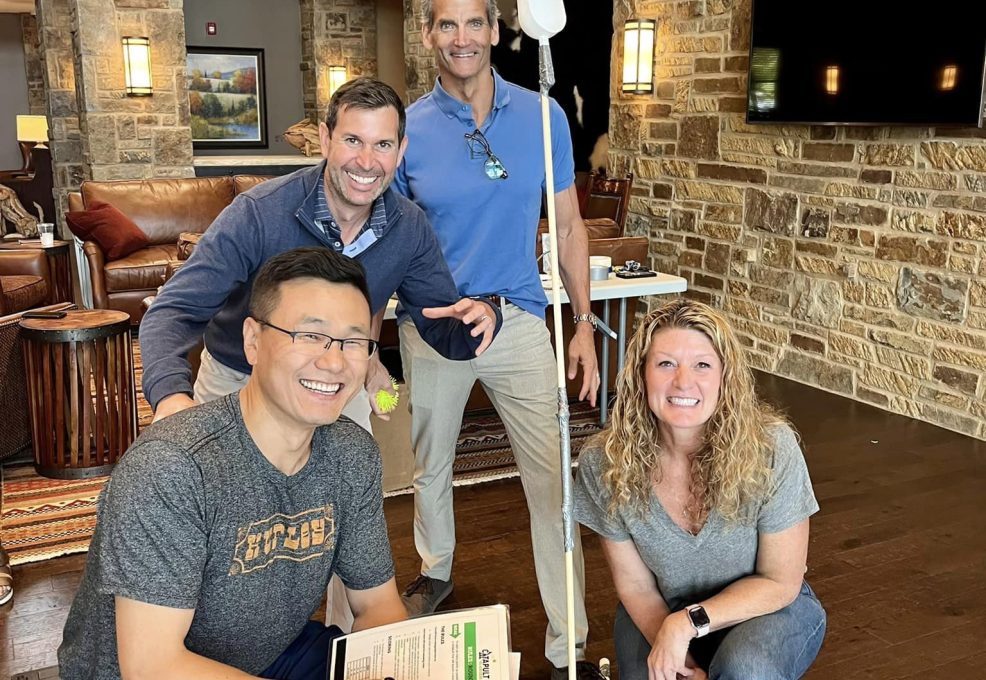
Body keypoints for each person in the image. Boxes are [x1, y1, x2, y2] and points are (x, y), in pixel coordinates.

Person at [58, 247, 407, 680]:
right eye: (309, 335)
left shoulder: (352, 454)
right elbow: (153, 666)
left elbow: (378, 605)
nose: (334, 362)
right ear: (252, 341)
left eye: (352, 342)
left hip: (269, 654)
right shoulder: (172, 467)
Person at [393, 1, 601, 677]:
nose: (462, 38)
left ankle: (569, 645)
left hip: (518, 321)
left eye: (474, 23)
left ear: (495, 29)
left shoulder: (543, 116)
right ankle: (435, 572)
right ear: (429, 34)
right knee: (431, 466)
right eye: (447, 24)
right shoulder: (407, 129)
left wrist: (583, 325)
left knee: (553, 482)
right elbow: (391, 236)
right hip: (434, 324)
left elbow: (567, 226)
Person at [141, 77, 499, 429]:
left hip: (337, 380)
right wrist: (171, 396)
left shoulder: (410, 227)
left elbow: (444, 329)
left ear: (401, 150)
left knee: (352, 468)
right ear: (326, 140)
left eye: (383, 145)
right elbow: (173, 310)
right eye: (353, 140)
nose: (367, 161)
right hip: (242, 378)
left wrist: (484, 315)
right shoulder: (258, 213)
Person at [574, 300, 827, 680]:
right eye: (666, 364)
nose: (683, 382)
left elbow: (780, 581)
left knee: (744, 669)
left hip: (765, 606)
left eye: (702, 365)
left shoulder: (772, 447)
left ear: (726, 377)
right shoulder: (605, 462)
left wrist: (685, 625)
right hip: (661, 606)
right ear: (640, 375)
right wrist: (682, 662)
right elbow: (636, 586)